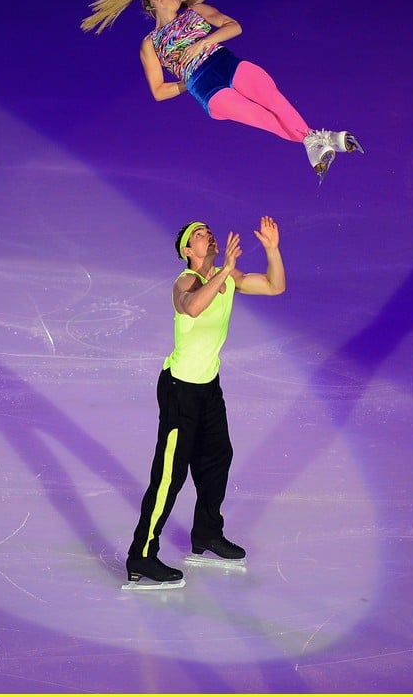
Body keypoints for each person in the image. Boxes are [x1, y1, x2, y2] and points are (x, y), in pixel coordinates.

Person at [125, 216, 287, 586]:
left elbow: (276, 286)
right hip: (180, 390)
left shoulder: (227, 278)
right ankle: (142, 556)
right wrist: (226, 269)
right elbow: (193, 307)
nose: (207, 235)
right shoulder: (186, 281)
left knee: (218, 458)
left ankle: (207, 533)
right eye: (198, 235)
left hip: (208, 388)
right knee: (169, 477)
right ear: (187, 251)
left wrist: (272, 250)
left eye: (208, 232)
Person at [81, 0, 362, 180]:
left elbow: (234, 27)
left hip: (225, 62)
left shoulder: (197, 11)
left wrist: (204, 43)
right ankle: (321, 140)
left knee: (272, 98)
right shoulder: (149, 44)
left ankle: (318, 141)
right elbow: (158, 91)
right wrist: (187, 81)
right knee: (264, 120)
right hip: (205, 88)